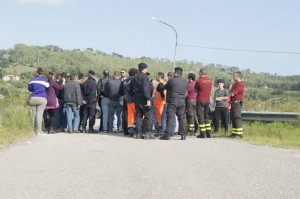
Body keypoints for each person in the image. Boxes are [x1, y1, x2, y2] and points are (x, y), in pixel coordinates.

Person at [158, 67, 188, 140]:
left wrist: (160, 84)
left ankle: (167, 135)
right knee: (181, 118)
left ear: (176, 73)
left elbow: (163, 88)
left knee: (170, 118)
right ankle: (183, 135)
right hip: (181, 102)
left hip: (172, 102)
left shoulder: (172, 81)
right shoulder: (185, 81)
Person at [128, 63, 152, 139]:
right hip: (144, 98)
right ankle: (147, 133)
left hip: (137, 98)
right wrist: (148, 99)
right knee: (148, 116)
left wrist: (134, 95)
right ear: (144, 69)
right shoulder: (145, 77)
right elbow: (145, 90)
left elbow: (129, 89)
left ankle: (138, 133)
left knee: (138, 116)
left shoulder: (134, 77)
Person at [28, 68, 49, 135]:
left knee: (33, 114)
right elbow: (47, 87)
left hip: (33, 99)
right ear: (42, 73)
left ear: (36, 73)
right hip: (42, 99)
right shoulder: (45, 80)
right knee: (39, 115)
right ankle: (39, 131)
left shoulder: (32, 80)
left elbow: (30, 89)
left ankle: (32, 130)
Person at [119, 68, 138, 136]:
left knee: (127, 115)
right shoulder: (135, 80)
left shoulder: (124, 81)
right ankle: (136, 130)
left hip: (126, 100)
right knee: (137, 115)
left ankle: (126, 130)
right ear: (136, 74)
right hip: (135, 100)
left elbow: (120, 92)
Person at [194, 69, 213, 138]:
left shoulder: (199, 81)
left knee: (200, 117)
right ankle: (208, 133)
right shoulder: (210, 81)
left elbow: (195, 90)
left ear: (200, 73)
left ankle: (202, 133)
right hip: (207, 101)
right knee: (206, 117)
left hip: (200, 100)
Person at [229, 71, 245, 138]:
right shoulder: (236, 84)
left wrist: (231, 90)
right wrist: (231, 84)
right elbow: (230, 91)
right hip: (233, 102)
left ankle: (239, 134)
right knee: (233, 118)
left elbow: (232, 93)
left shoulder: (240, 84)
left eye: (234, 76)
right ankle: (234, 133)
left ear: (237, 76)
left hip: (237, 102)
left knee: (237, 117)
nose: (233, 77)